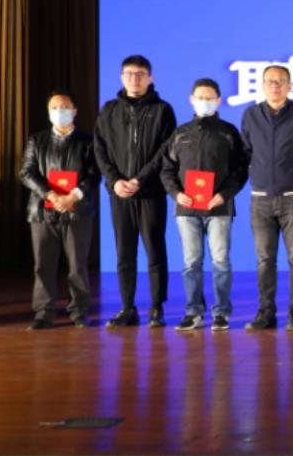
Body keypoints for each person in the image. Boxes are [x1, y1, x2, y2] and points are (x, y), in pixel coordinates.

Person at [94, 54, 177, 328]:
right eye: (129, 74)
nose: (134, 79)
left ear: (150, 78)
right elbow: (100, 150)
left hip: (151, 191)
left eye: (140, 74)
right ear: (122, 77)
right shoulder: (109, 110)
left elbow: (165, 150)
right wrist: (115, 182)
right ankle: (127, 307)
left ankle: (156, 307)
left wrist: (140, 180)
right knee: (124, 253)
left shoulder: (162, 110)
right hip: (119, 193)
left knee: (155, 250)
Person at [160, 78, 249, 332]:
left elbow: (241, 170)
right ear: (191, 99)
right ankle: (193, 312)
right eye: (200, 98)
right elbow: (167, 169)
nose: (205, 102)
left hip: (219, 207)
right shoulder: (180, 133)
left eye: (210, 98)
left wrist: (225, 194)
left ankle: (221, 312)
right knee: (191, 262)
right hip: (187, 209)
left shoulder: (228, 132)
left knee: (221, 261)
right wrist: (176, 194)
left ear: (218, 101)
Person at [240, 64, 293, 331]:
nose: (275, 85)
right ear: (262, 85)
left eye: (281, 81)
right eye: (270, 81)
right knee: (265, 259)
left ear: (290, 86)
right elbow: (245, 153)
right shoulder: (251, 115)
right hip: (260, 199)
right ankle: (266, 312)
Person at [19, 89, 101, 330]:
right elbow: (26, 173)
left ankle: (79, 311)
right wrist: (51, 195)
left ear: (74, 111)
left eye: (64, 107)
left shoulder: (88, 141)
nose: (59, 112)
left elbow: (94, 174)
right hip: (42, 211)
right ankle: (44, 312)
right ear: (48, 112)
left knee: (78, 264)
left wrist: (73, 196)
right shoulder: (37, 140)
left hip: (77, 210)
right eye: (54, 108)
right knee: (43, 264)